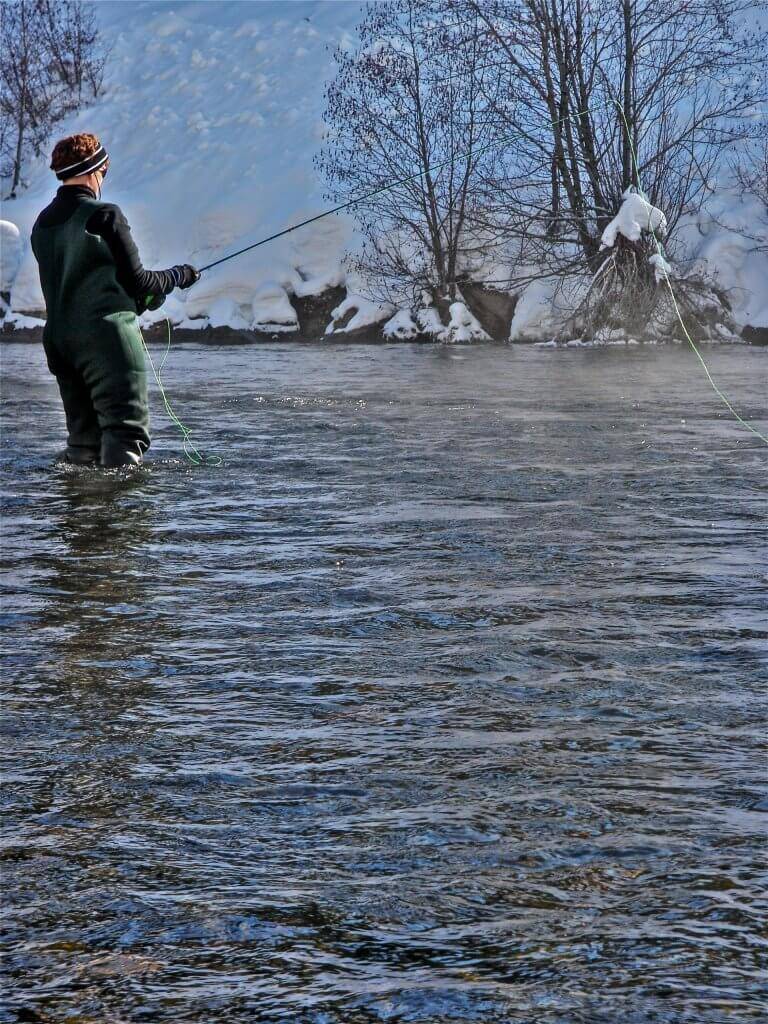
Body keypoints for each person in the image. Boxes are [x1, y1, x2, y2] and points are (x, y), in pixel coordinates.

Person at [30, 133, 199, 467]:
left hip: (60, 343)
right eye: (104, 171)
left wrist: (138, 300)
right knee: (125, 436)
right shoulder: (105, 215)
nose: (103, 178)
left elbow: (83, 286)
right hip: (106, 343)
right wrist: (180, 275)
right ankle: (123, 518)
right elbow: (140, 281)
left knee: (83, 445)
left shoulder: (42, 223)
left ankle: (78, 515)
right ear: (93, 170)